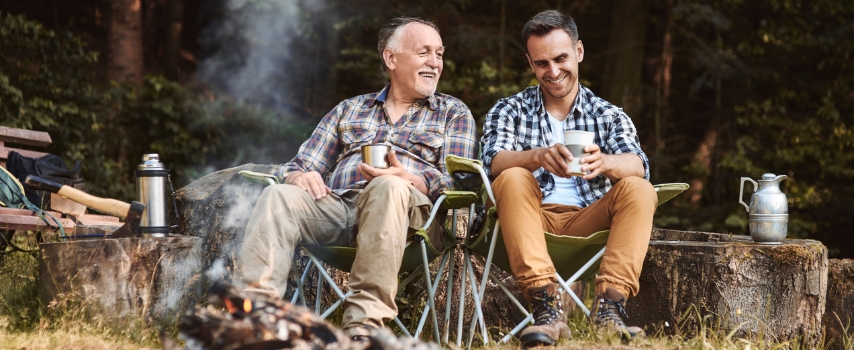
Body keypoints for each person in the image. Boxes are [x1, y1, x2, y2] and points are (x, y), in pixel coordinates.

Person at [234, 17, 478, 341]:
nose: (435, 62)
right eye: (424, 53)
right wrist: (296, 176)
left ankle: (364, 330)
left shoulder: (452, 112)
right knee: (279, 195)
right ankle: (254, 322)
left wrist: (411, 178)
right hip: (340, 208)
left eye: (439, 54)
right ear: (391, 58)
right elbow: (301, 163)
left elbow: (462, 183)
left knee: (389, 185)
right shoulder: (350, 109)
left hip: (411, 220)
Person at [480, 9, 656, 347]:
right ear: (530, 63)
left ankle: (609, 308)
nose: (554, 71)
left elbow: (639, 164)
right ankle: (546, 308)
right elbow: (492, 160)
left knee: (639, 188)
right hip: (528, 220)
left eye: (561, 58)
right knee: (512, 176)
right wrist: (537, 157)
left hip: (587, 221)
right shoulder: (510, 110)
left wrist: (605, 162)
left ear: (579, 51)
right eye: (542, 63)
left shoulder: (607, 114)